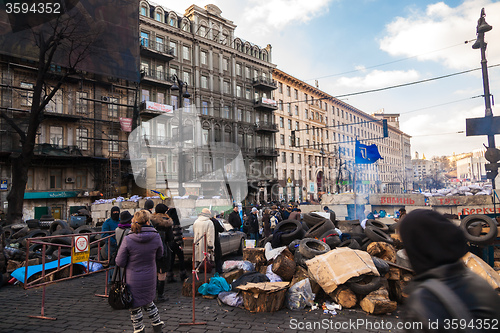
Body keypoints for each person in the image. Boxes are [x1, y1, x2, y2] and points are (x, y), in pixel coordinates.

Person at [399, 209, 500, 332]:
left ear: (418, 249)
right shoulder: (480, 283)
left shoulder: (423, 302)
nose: (405, 252)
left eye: (407, 247)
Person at [115, 210, 164, 333]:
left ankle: (139, 330)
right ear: (148, 221)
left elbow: (120, 262)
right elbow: (160, 254)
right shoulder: (156, 236)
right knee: (149, 302)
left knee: (135, 306)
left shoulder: (128, 239)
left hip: (133, 278)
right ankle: (157, 327)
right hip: (150, 276)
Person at [150, 204, 173, 302]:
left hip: (151, 249)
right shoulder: (167, 222)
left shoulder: (151, 221)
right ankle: (160, 295)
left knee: (154, 270)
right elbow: (170, 238)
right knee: (162, 271)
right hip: (163, 249)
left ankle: (152, 294)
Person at [111, 211, 133, 282]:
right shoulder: (129, 231)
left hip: (119, 252)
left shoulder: (117, 229)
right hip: (128, 253)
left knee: (120, 272)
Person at [167, 207, 187, 281]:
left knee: (171, 259)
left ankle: (169, 276)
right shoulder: (177, 222)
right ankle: (182, 274)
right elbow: (178, 235)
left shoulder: (168, 222)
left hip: (170, 243)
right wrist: (180, 244)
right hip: (176, 243)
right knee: (181, 259)